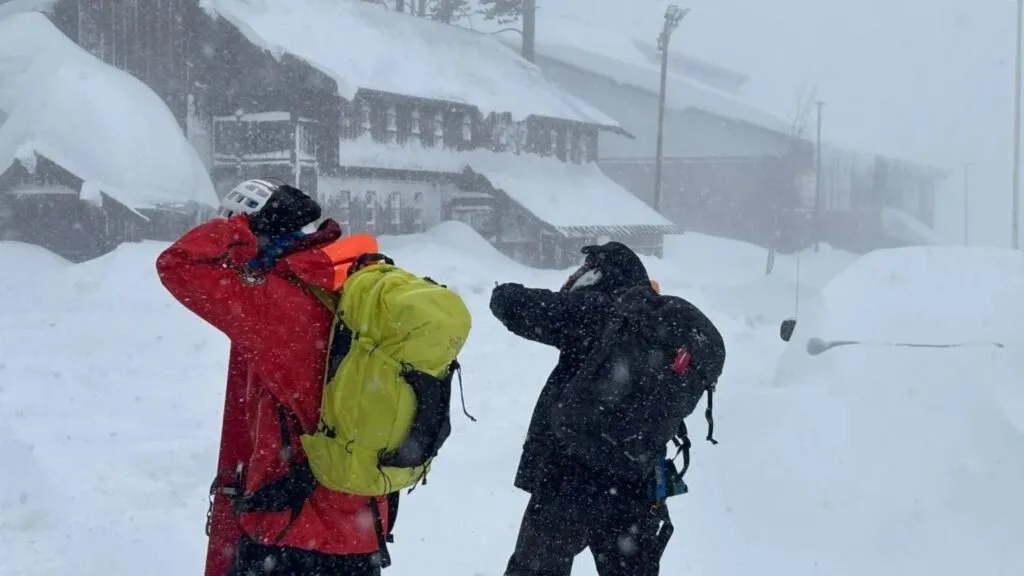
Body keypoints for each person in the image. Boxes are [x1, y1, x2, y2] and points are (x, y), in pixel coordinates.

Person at [157, 179, 395, 576]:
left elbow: (177, 264)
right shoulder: (354, 284)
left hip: (290, 530)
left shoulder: (276, 301)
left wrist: (239, 229)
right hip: (361, 526)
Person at [490, 241, 726, 576]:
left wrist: (502, 291)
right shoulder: (658, 326)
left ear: (598, 273)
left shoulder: (597, 310)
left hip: (571, 476)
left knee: (537, 569)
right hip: (637, 477)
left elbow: (517, 307)